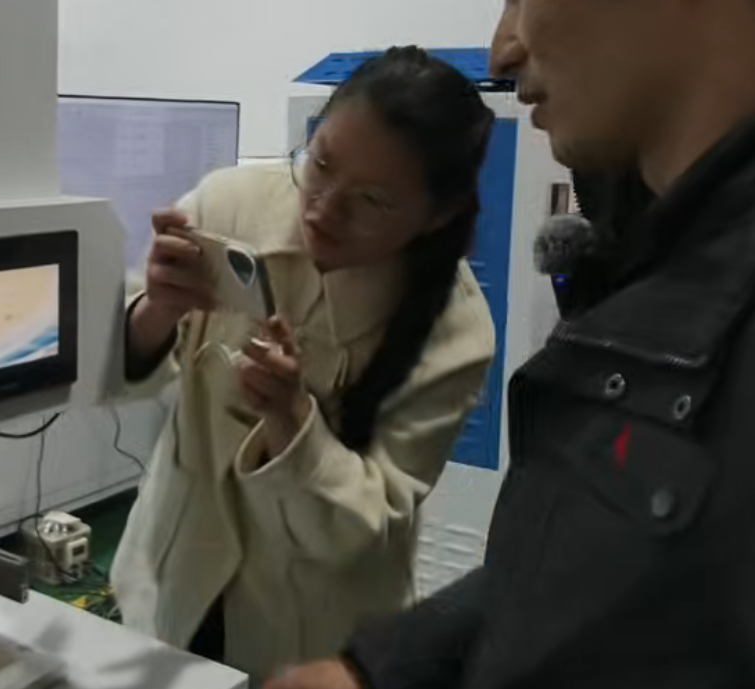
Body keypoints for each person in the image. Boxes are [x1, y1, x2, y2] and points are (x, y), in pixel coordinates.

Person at [268, 1, 755, 688]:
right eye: (320, 164)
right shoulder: (655, 257)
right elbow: (577, 574)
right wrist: (377, 669)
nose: (502, 50)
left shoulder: (463, 324)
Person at [110, 47, 497, 682]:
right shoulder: (231, 205)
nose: (323, 209)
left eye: (372, 199)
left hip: (310, 635)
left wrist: (293, 422)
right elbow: (115, 367)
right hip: (172, 578)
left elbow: (365, 524)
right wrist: (158, 306)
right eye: (320, 164)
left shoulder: (455, 332)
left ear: (439, 215)